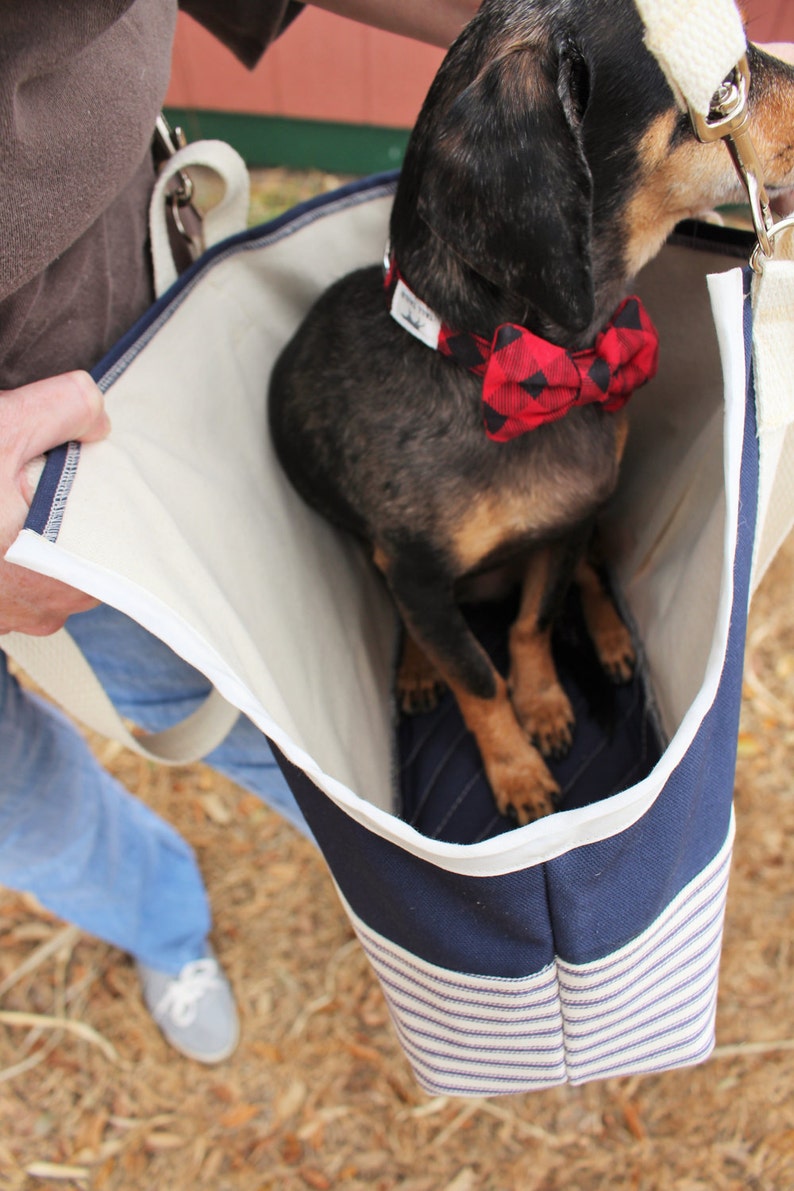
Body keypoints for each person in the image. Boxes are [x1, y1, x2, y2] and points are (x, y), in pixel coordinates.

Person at [0, 0, 479, 1064]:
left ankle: (460, 897)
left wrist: (592, 36)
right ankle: (164, 922)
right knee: (19, 812)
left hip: (104, 421)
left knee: (247, 701)